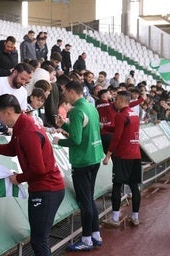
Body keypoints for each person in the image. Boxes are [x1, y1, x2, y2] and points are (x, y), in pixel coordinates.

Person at [0, 94, 65, 256]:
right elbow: (12, 149)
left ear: (9, 112)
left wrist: (18, 178)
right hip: (45, 188)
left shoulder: (28, 131)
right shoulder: (22, 125)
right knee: (39, 238)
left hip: (47, 189)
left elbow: (38, 169)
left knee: (39, 240)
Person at [53, 80, 104, 251]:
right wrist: (64, 124)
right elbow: (83, 129)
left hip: (82, 161)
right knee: (90, 198)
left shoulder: (75, 111)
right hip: (95, 157)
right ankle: (95, 235)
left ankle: (87, 239)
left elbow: (75, 139)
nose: (63, 95)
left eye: (64, 92)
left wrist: (58, 141)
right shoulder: (90, 107)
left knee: (85, 202)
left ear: (71, 91)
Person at [102, 91, 142, 227]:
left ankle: (114, 218)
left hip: (122, 156)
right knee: (134, 186)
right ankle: (135, 217)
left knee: (117, 185)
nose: (115, 102)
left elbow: (117, 138)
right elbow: (121, 130)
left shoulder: (120, 115)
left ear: (124, 101)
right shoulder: (134, 115)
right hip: (135, 155)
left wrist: (108, 155)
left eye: (117, 100)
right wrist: (104, 126)